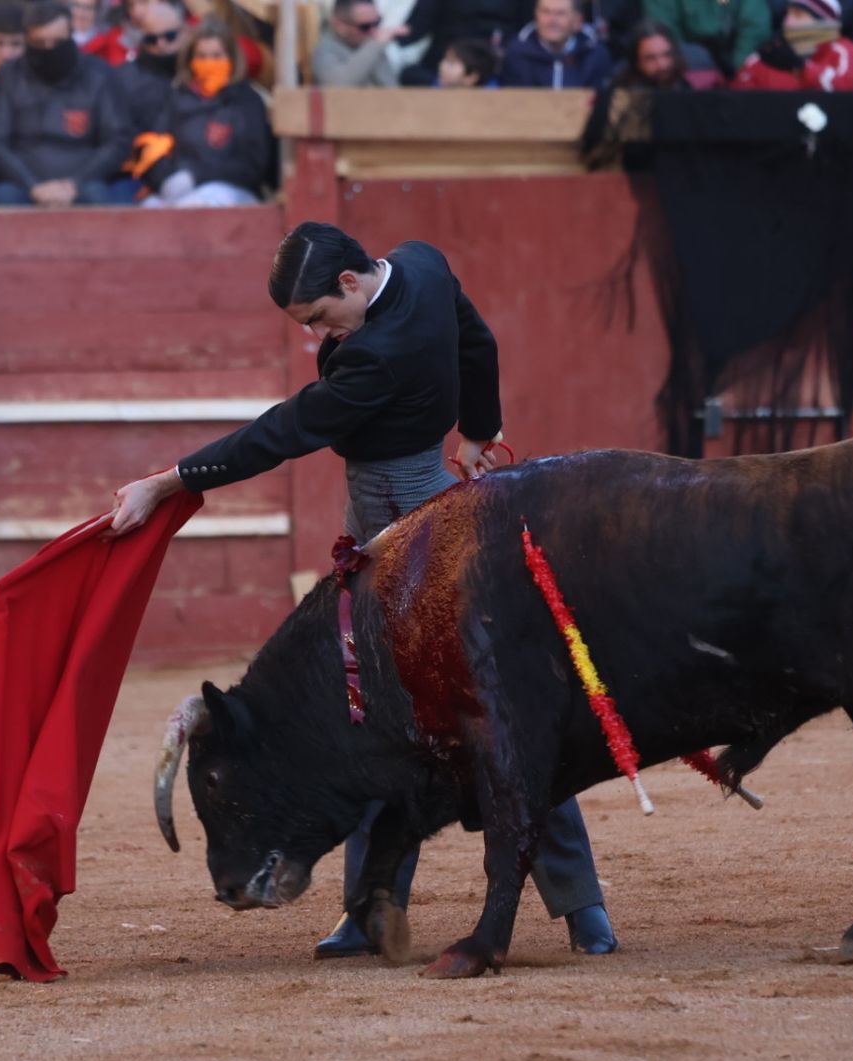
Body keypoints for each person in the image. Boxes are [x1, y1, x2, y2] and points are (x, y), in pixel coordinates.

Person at [107, 222, 620, 960]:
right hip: (398, 512)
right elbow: (477, 339)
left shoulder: (376, 356)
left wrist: (168, 482)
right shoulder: (423, 264)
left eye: (318, 317)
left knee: (469, 710)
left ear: (351, 283)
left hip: (404, 524)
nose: (319, 332)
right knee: (396, 714)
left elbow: (280, 432)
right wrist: (480, 428)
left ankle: (574, 906)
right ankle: (402, 908)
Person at [0, 0, 132, 206]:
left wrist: (75, 184)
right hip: (22, 183)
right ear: (28, 39)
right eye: (39, 43)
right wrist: (31, 185)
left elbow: (117, 139)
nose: (49, 50)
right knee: (3, 197)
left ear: (71, 34)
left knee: (99, 198)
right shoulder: (8, 78)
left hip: (85, 182)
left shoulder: (99, 75)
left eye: (57, 42)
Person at [135, 17, 270, 206]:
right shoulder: (177, 98)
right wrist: (165, 179)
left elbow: (253, 167)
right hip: (179, 188)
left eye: (216, 55)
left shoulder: (247, 102)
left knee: (199, 202)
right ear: (190, 60)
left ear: (231, 58)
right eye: (202, 56)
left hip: (231, 191)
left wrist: (196, 176)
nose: (209, 62)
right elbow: (153, 146)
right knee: (149, 208)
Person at [733, 0, 853, 91]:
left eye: (798, 15)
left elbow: (847, 87)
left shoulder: (843, 50)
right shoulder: (771, 53)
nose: (788, 22)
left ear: (823, 23)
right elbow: (739, 92)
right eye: (787, 14)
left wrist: (802, 67)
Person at [394, 0, 531, 86]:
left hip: (497, 68)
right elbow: (416, 25)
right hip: (445, 64)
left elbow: (528, 29)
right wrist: (394, 34)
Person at [643, 0, 772, 77]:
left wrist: (741, 72)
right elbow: (665, 32)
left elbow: (755, 27)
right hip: (687, 69)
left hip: (737, 60)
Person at [498, 0, 614, 86]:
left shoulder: (595, 55)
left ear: (577, 21)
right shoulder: (517, 54)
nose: (552, 20)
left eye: (560, 13)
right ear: (536, 16)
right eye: (546, 12)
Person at [114, 0, 183, 131]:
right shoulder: (123, 79)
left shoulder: (195, 73)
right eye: (152, 39)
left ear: (184, 34)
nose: (161, 44)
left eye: (170, 36)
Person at [311, 0, 403, 87]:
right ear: (339, 26)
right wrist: (376, 45)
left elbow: (392, 89)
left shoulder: (370, 45)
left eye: (377, 22)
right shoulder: (325, 50)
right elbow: (337, 85)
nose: (374, 31)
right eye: (365, 27)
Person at [611, 18, 691, 86]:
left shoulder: (683, 84)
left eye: (666, 55)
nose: (662, 65)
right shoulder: (622, 96)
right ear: (636, 62)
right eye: (650, 58)